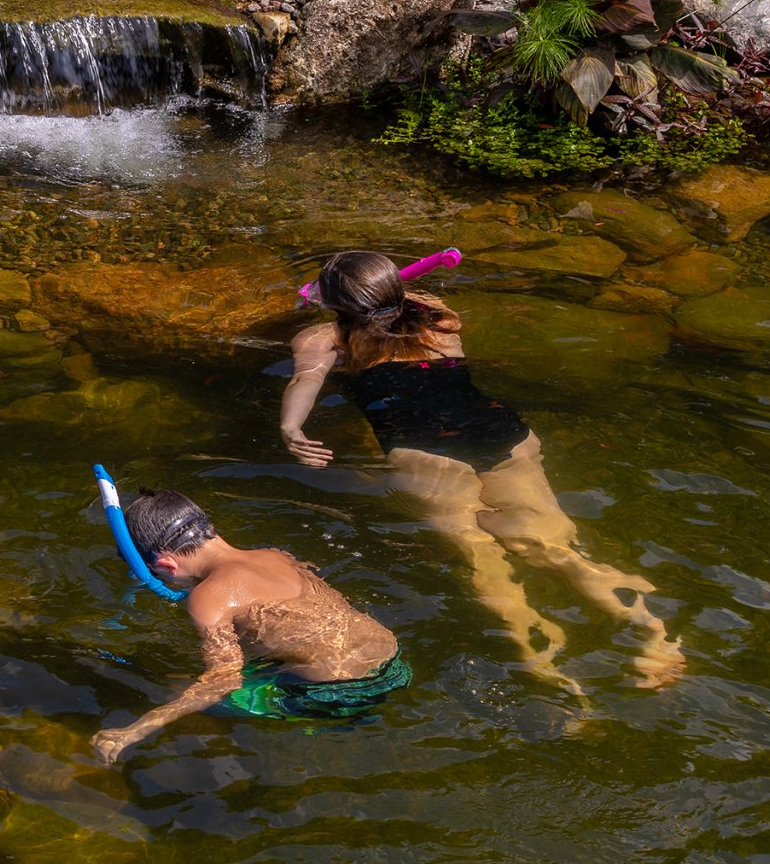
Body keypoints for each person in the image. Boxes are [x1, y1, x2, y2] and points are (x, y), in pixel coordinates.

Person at [279, 251, 684, 691]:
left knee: (480, 553)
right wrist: (373, 292)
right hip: (503, 432)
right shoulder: (441, 320)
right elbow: (400, 299)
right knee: (557, 544)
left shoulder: (323, 339)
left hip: (426, 448)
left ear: (336, 305)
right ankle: (653, 633)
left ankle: (543, 654)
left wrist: (291, 426)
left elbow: (306, 381)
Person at [91, 488, 409, 764]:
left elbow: (223, 681)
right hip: (394, 663)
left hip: (339, 697)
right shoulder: (275, 555)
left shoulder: (208, 598)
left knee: (173, 685)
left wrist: (131, 732)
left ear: (165, 566)